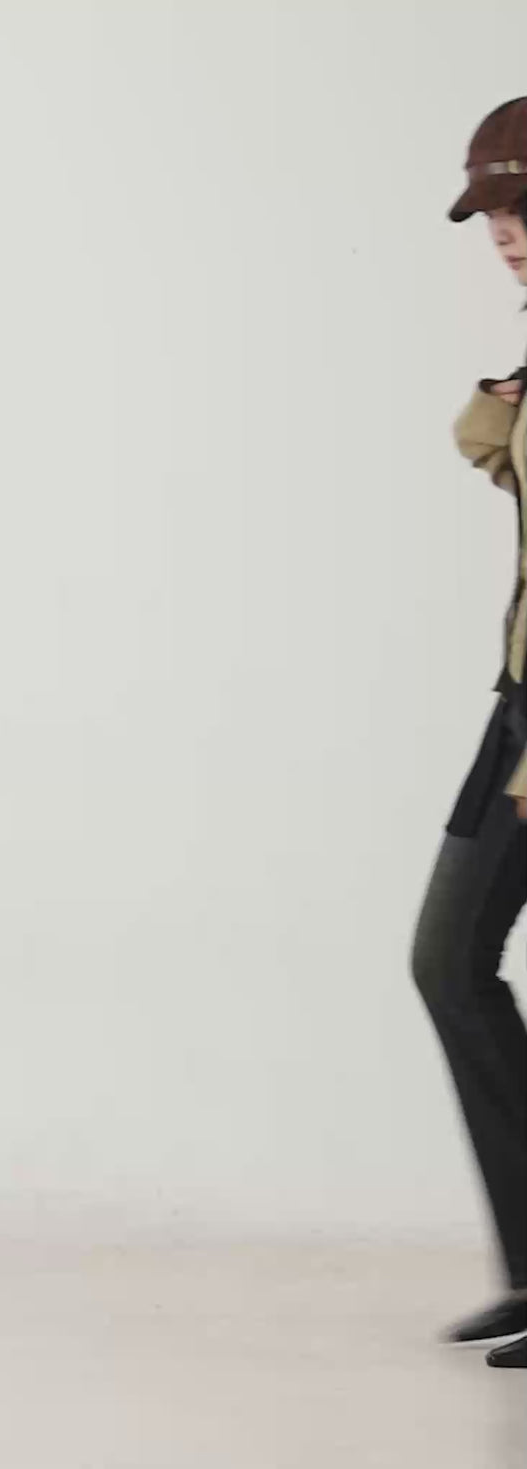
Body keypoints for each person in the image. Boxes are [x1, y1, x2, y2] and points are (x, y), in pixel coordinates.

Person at [411, 96, 527, 1371]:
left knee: (455, 959)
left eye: (522, 209)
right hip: (518, 701)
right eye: (493, 215)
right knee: (447, 960)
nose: (506, 236)